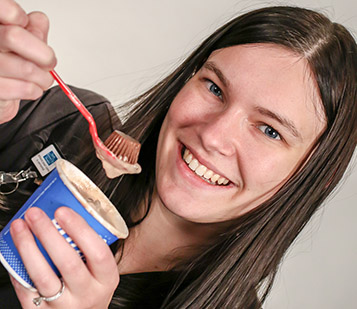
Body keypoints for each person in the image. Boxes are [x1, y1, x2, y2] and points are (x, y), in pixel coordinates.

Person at [0, 1, 356, 308]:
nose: (213, 136)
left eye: (269, 130)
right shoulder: (60, 124)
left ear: (312, 173)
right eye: (215, 88)